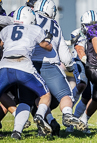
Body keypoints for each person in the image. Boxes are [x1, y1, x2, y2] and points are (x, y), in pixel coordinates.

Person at [17, 0, 87, 134]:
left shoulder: (28, 15)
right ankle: (67, 114)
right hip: (49, 65)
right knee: (65, 95)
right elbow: (65, 55)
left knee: (39, 95)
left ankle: (45, 119)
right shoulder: (55, 25)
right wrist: (71, 68)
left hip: (27, 64)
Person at [0, 6, 54, 139]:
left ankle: (16, 132)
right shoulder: (35, 28)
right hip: (24, 65)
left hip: (5, 66)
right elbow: (46, 46)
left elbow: (0, 44)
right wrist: (49, 41)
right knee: (45, 94)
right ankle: (40, 116)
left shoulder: (6, 29)